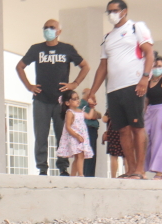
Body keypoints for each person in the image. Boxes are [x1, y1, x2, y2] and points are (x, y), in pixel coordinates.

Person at [87, 0, 153, 179]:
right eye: (108, 11)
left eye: (115, 10)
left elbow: (149, 52)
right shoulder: (108, 37)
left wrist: (145, 77)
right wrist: (93, 91)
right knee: (122, 129)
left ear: (124, 11)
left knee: (136, 126)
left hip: (133, 84)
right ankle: (131, 169)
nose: (111, 14)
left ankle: (140, 169)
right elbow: (103, 66)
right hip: (114, 89)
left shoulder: (136, 27)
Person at [17, 19, 90, 175]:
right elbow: (20, 66)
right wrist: (29, 86)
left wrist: (75, 83)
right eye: (45, 28)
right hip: (41, 100)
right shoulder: (36, 49)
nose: (48, 30)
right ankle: (42, 168)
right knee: (41, 136)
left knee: (62, 135)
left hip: (61, 102)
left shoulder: (67, 49)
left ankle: (63, 168)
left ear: (59, 31)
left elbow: (85, 66)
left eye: (52, 27)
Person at [56, 90, 94, 176]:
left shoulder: (80, 111)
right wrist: (76, 136)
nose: (77, 100)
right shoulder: (70, 113)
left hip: (81, 136)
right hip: (74, 137)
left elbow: (89, 116)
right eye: (74, 99)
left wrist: (92, 107)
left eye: (78, 98)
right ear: (67, 103)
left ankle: (73, 175)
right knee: (80, 155)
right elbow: (68, 127)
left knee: (79, 157)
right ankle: (81, 174)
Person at [79, 88, 102, 177]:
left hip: (92, 129)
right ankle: (86, 174)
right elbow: (93, 116)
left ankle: (90, 174)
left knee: (92, 154)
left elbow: (99, 115)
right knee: (88, 154)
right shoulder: (82, 105)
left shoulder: (89, 106)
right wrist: (94, 113)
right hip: (87, 129)